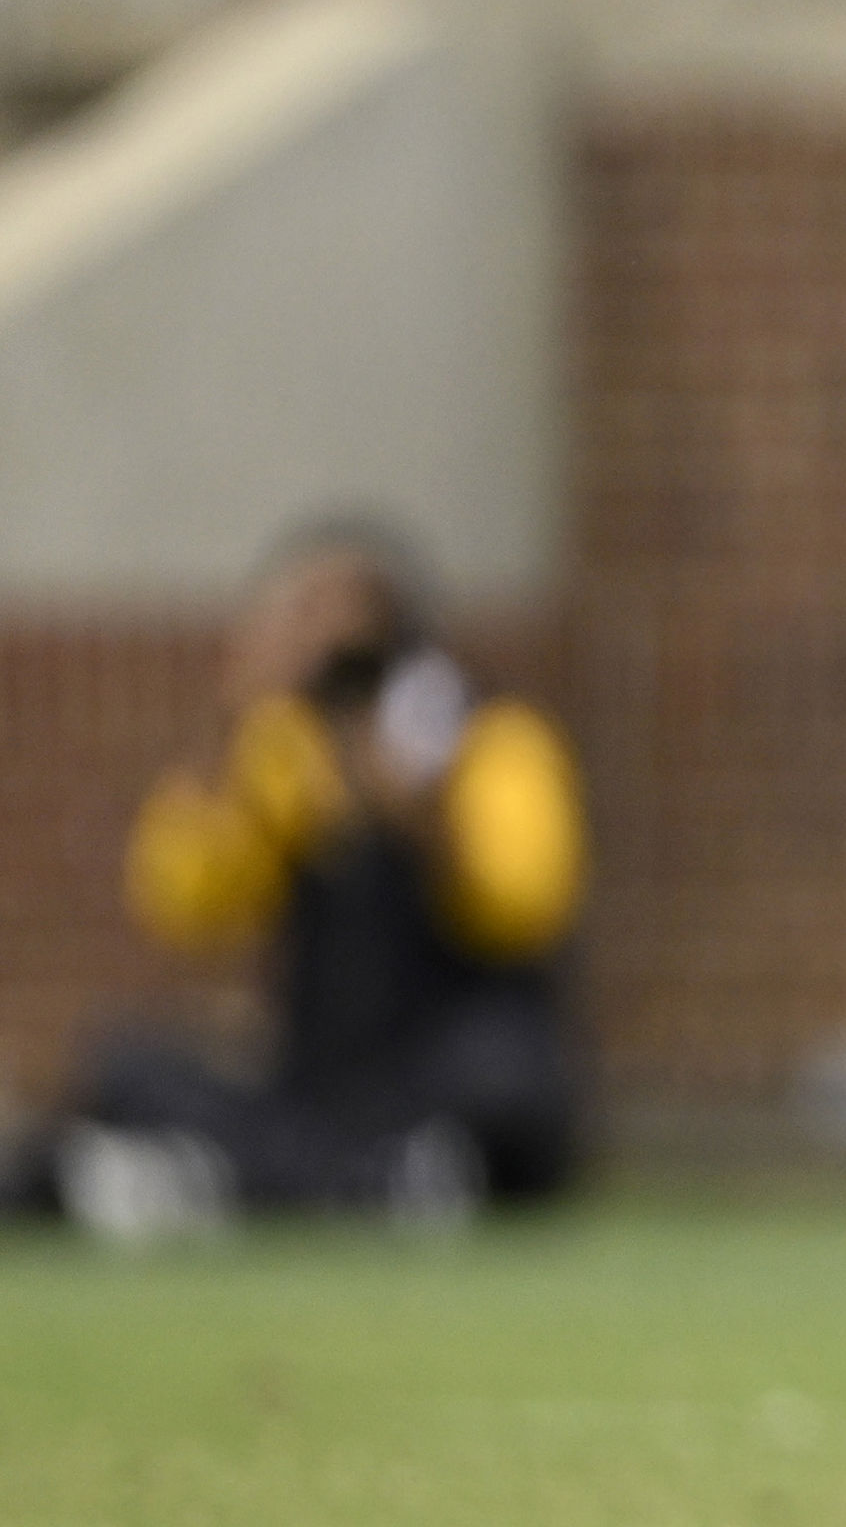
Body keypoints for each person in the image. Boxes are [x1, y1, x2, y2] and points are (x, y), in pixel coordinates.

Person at [13, 520, 593, 1238]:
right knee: (126, 1068)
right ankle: (370, 1187)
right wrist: (234, 729)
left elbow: (525, 907)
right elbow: (184, 905)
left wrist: (426, 822)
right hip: (319, 1087)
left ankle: (223, 1185)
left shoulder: (491, 743)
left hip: (442, 1072)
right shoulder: (281, 756)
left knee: (510, 1085)